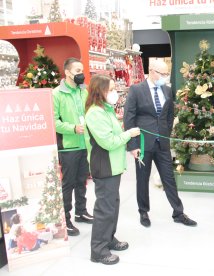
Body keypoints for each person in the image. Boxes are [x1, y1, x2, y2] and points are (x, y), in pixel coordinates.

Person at [123, 59, 197, 228]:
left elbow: (169, 115)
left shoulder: (167, 90)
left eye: (167, 74)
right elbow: (129, 118)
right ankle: (143, 211)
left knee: (169, 178)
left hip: (162, 142)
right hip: (142, 143)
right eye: (163, 74)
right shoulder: (136, 90)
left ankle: (178, 212)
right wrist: (133, 145)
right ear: (152, 71)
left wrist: (165, 132)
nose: (165, 77)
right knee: (142, 179)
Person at [84, 75, 141, 265]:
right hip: (104, 166)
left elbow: (114, 135)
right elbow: (108, 142)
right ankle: (98, 250)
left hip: (113, 166)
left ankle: (108, 238)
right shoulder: (95, 113)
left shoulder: (106, 110)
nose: (114, 93)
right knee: (105, 208)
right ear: (100, 91)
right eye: (111, 89)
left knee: (113, 206)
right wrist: (129, 134)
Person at [53, 57, 93, 236]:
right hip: (68, 146)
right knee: (68, 183)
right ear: (67, 72)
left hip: (84, 144)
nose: (81, 74)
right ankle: (66, 219)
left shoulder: (84, 91)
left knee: (82, 180)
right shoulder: (57, 94)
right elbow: (53, 122)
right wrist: (72, 128)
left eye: (82, 71)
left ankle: (81, 212)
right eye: (77, 71)